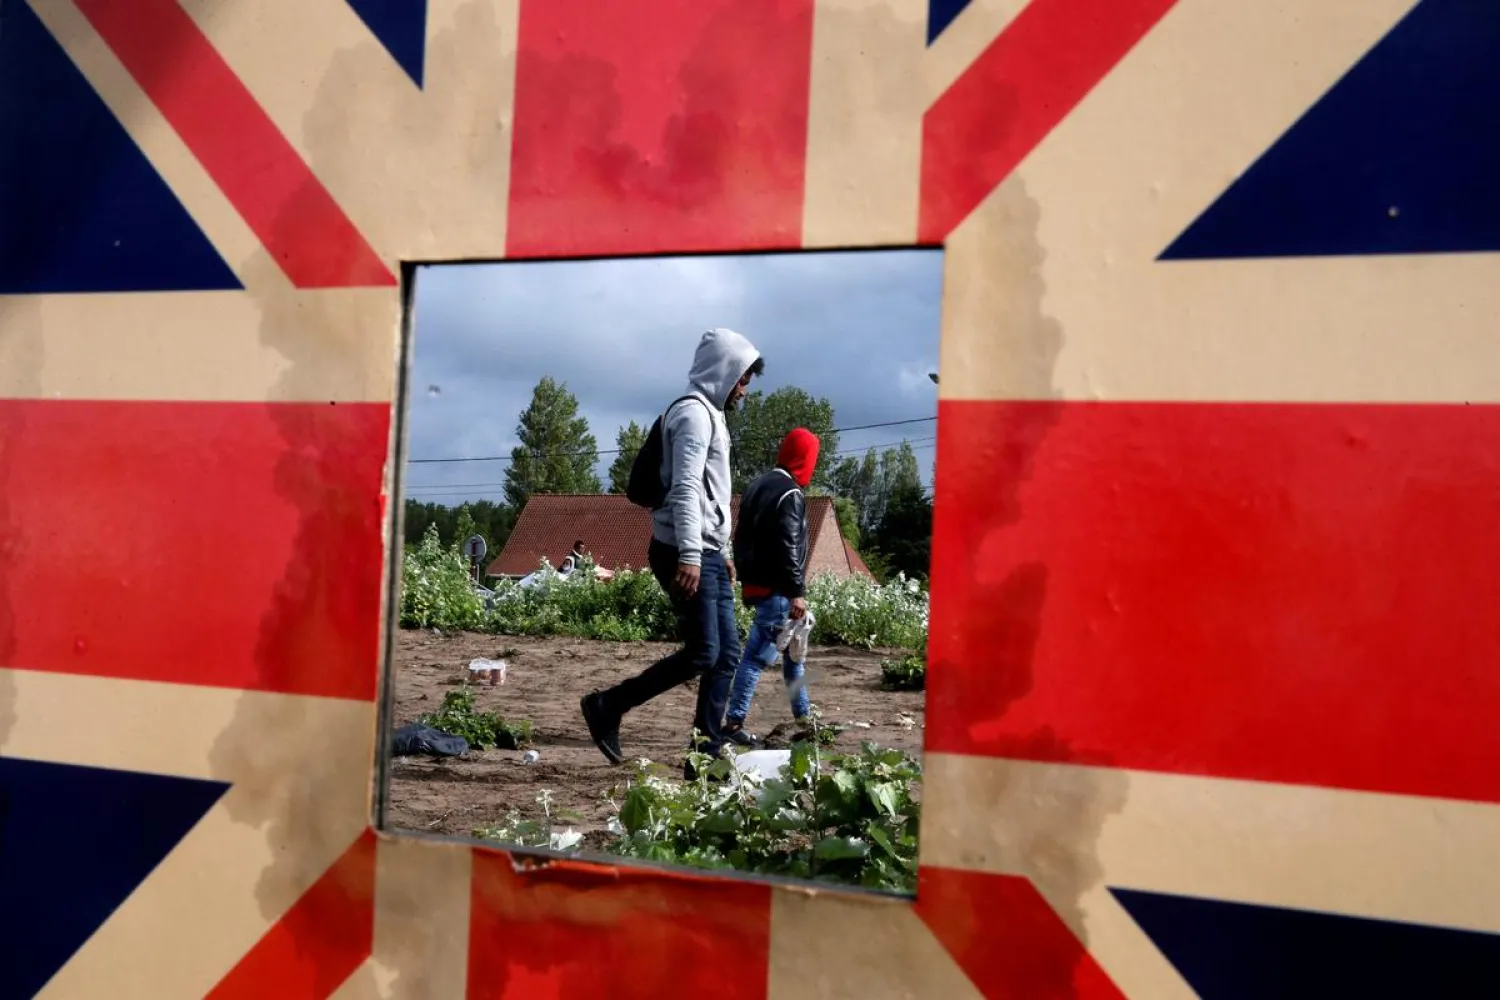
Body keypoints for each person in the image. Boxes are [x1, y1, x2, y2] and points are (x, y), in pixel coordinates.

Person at [580, 328, 764, 774]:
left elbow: (711, 494)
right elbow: (684, 488)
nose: (744, 389)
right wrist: (691, 555)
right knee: (705, 652)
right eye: (741, 379)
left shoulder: (712, 416)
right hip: (684, 551)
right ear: (724, 373)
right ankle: (607, 705)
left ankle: (704, 754)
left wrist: (722, 550)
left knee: (727, 653)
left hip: (706, 550)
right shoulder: (694, 417)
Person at [722, 428, 819, 745]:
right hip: (778, 590)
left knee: (794, 659)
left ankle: (805, 721)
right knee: (755, 659)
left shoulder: (757, 486)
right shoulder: (790, 493)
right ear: (806, 458)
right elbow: (788, 545)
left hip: (758, 585)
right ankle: (733, 725)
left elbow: (739, 537)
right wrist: (797, 592)